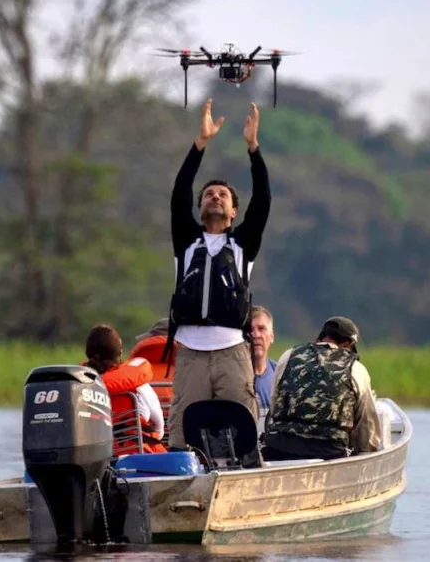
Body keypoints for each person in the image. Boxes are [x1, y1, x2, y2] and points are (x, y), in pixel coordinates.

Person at [162, 98, 271, 450]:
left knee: (243, 432)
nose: (215, 197)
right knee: (182, 434)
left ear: (234, 210)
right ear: (200, 207)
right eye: (209, 194)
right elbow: (179, 192)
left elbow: (263, 201)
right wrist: (200, 143)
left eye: (223, 195)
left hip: (232, 353)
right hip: (190, 353)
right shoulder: (186, 241)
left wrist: (253, 148)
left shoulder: (242, 245)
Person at [260, 317, 381, 461]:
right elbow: (367, 428)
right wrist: (362, 451)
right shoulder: (356, 368)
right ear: (349, 344)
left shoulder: (289, 356)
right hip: (329, 453)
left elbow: (274, 404)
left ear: (319, 339)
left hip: (280, 448)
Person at [82, 324, 167, 456]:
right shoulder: (140, 387)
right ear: (119, 353)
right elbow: (159, 429)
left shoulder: (79, 387)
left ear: (88, 353)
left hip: (97, 457)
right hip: (136, 457)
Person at [248, 305, 278, 421]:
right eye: (250, 330)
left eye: (261, 329)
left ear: (272, 336)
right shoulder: (231, 377)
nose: (256, 335)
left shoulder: (280, 375)